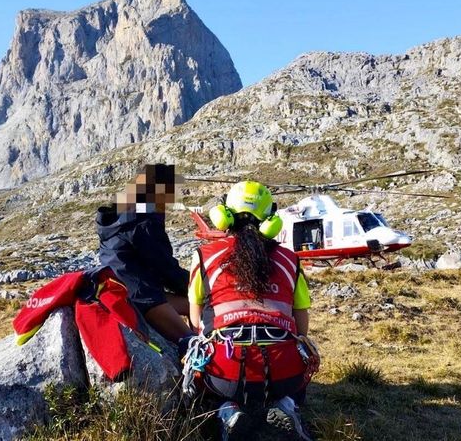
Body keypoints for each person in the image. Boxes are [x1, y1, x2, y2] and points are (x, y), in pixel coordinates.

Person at [185, 181, 318, 441]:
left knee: (193, 351)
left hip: (225, 372)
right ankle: (285, 404)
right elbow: (301, 326)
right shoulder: (290, 260)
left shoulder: (204, 255)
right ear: (271, 219)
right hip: (286, 372)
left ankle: (227, 409)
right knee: (301, 354)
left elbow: (195, 322)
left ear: (224, 215)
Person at [96, 164, 194, 346]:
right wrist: (195, 286)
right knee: (194, 342)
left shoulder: (123, 213)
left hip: (122, 292)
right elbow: (164, 266)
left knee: (193, 304)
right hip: (142, 297)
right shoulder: (143, 220)